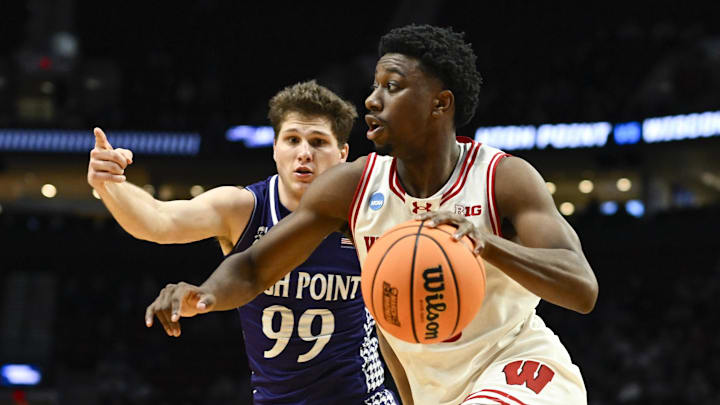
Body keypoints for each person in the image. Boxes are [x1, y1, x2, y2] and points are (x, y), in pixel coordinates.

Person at [146, 25, 598, 405]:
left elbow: (581, 288)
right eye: (375, 85)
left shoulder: (504, 179)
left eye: (393, 87)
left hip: (519, 367)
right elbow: (253, 266)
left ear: (440, 104)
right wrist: (203, 294)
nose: (372, 101)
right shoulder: (352, 187)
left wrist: (488, 244)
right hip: (433, 392)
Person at [88, 81, 398, 404]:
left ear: (343, 154)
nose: (304, 153)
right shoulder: (245, 208)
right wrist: (110, 184)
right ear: (275, 148)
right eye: (293, 140)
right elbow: (159, 220)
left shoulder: (366, 212)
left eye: (318, 142)